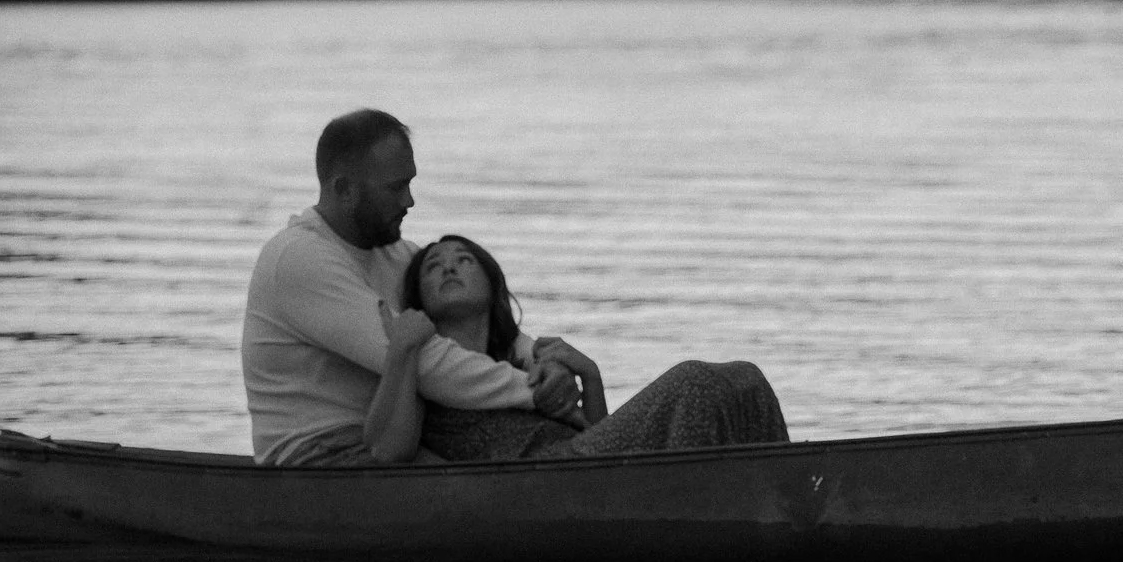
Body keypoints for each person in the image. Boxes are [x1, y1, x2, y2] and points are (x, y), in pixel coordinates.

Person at [242, 110, 583, 467]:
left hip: (402, 437)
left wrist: (538, 361)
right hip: (320, 455)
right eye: (394, 188)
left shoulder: (399, 255)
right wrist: (533, 390)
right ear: (344, 190)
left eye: (410, 183)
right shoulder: (298, 258)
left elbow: (483, 323)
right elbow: (428, 364)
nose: (409, 201)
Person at [364, 231, 789, 464]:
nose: (449, 268)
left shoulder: (518, 361)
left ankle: (783, 500)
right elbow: (389, 449)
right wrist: (402, 349)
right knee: (694, 380)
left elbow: (599, 442)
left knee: (745, 378)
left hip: (579, 468)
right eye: (434, 267)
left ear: (491, 283)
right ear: (421, 300)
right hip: (533, 482)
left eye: (463, 260)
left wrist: (591, 376)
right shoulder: (432, 366)